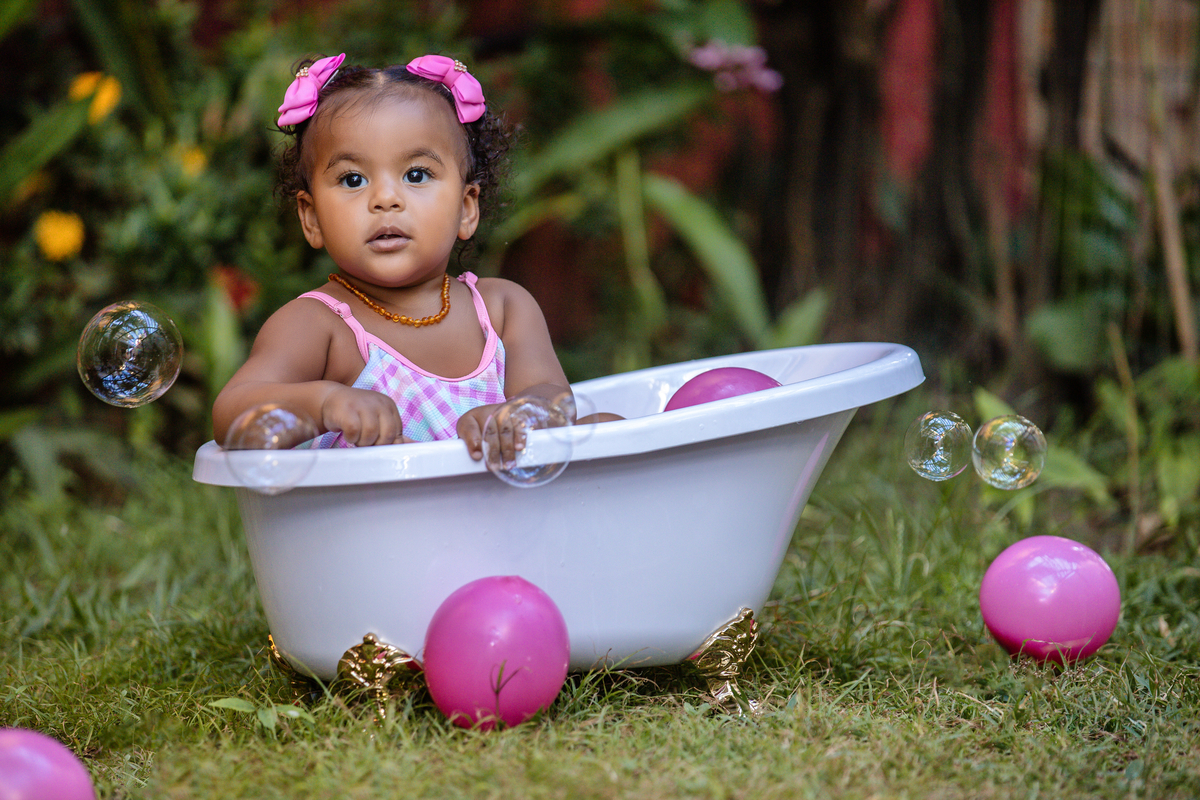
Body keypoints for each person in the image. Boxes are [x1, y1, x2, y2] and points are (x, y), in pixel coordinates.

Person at [212, 53, 615, 463]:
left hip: (509, 517)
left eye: (416, 175)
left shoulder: (502, 309)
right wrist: (324, 403)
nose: (385, 199)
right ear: (311, 217)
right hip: (386, 523)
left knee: (608, 423)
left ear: (467, 207)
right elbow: (232, 414)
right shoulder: (317, 326)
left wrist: (521, 414)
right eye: (353, 180)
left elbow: (550, 395)